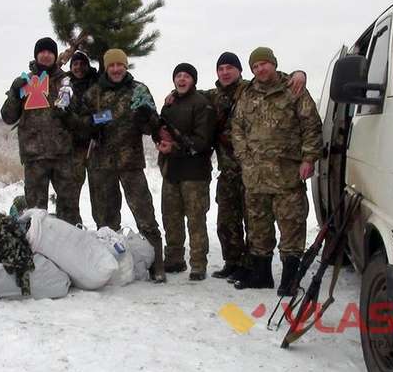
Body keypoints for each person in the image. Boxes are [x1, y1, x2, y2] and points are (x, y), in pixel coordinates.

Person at [204, 52, 307, 283]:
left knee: (259, 222)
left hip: (269, 171)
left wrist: (301, 73)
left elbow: (287, 86)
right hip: (235, 169)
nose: (225, 72)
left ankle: (253, 267)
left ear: (241, 71)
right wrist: (172, 94)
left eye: (230, 67)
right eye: (221, 68)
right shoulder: (216, 95)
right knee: (229, 220)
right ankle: (234, 263)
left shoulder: (248, 89)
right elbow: (190, 95)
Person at [231, 47, 322, 292]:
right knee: (259, 227)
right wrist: (244, 158)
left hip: (287, 175)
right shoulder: (247, 94)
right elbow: (237, 128)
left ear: (273, 64)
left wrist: (309, 159)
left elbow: (311, 126)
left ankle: (290, 280)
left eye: (264, 64)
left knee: (291, 226)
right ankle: (261, 276)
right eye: (255, 66)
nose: (260, 69)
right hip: (256, 176)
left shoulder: (293, 89)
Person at [81, 48, 166, 282]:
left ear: (126, 66)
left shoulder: (139, 90)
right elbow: (80, 123)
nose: (116, 69)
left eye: (120, 65)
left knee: (144, 212)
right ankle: (109, 264)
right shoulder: (94, 93)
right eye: (112, 66)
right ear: (106, 68)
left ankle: (156, 263)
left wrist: (146, 117)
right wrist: (92, 125)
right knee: (105, 219)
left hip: (130, 162)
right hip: (101, 164)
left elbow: (154, 127)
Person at [0, 37, 80, 225]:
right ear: (36, 55)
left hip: (63, 156)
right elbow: (8, 116)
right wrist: (14, 92)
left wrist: (68, 108)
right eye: (42, 52)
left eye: (50, 52)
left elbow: (78, 115)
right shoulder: (25, 82)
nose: (46, 55)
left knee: (69, 209)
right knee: (35, 213)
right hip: (34, 157)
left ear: (54, 55)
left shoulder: (66, 82)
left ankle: (72, 249)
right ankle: (37, 250)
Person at [157, 63, 215, 281]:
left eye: (186, 76)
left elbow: (202, 141)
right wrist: (160, 142)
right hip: (171, 169)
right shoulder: (169, 105)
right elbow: (161, 131)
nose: (181, 79)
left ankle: (198, 264)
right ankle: (174, 259)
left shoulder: (201, 104)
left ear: (193, 80)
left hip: (194, 173)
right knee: (170, 217)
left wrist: (175, 146)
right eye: (178, 76)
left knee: (195, 219)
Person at [64, 51, 120, 227]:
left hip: (96, 146)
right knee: (70, 195)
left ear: (88, 66)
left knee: (101, 194)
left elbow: (110, 112)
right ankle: (72, 231)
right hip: (73, 148)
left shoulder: (98, 83)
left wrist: (92, 122)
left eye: (82, 64)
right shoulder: (64, 86)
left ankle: (107, 231)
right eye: (75, 64)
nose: (78, 67)